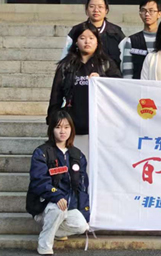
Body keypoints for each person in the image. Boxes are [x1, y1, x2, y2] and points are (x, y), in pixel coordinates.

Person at [48, 22, 121, 157]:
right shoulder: (66, 66)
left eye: (91, 38)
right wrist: (54, 120)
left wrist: (102, 80)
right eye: (82, 38)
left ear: (97, 41)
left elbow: (118, 88)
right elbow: (56, 96)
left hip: (99, 126)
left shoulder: (106, 64)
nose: (87, 42)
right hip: (73, 125)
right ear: (76, 42)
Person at [26, 110, 90, 256]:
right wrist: (56, 196)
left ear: (71, 129)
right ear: (52, 129)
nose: (62, 131)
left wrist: (84, 211)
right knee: (58, 208)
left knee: (82, 226)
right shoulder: (42, 153)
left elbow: (82, 187)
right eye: (58, 127)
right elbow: (39, 181)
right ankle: (44, 245)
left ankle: (55, 230)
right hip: (45, 206)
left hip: (69, 207)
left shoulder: (77, 155)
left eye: (66, 127)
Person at [62, 0, 125, 67]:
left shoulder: (116, 32)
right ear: (86, 9)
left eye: (100, 7)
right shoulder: (76, 31)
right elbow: (65, 58)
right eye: (92, 6)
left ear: (106, 10)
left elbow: (125, 58)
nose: (96, 10)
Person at [118, 0, 161, 79]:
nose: (147, 14)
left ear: (159, 14)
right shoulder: (131, 40)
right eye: (143, 10)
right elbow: (127, 73)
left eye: (151, 11)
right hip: (138, 85)